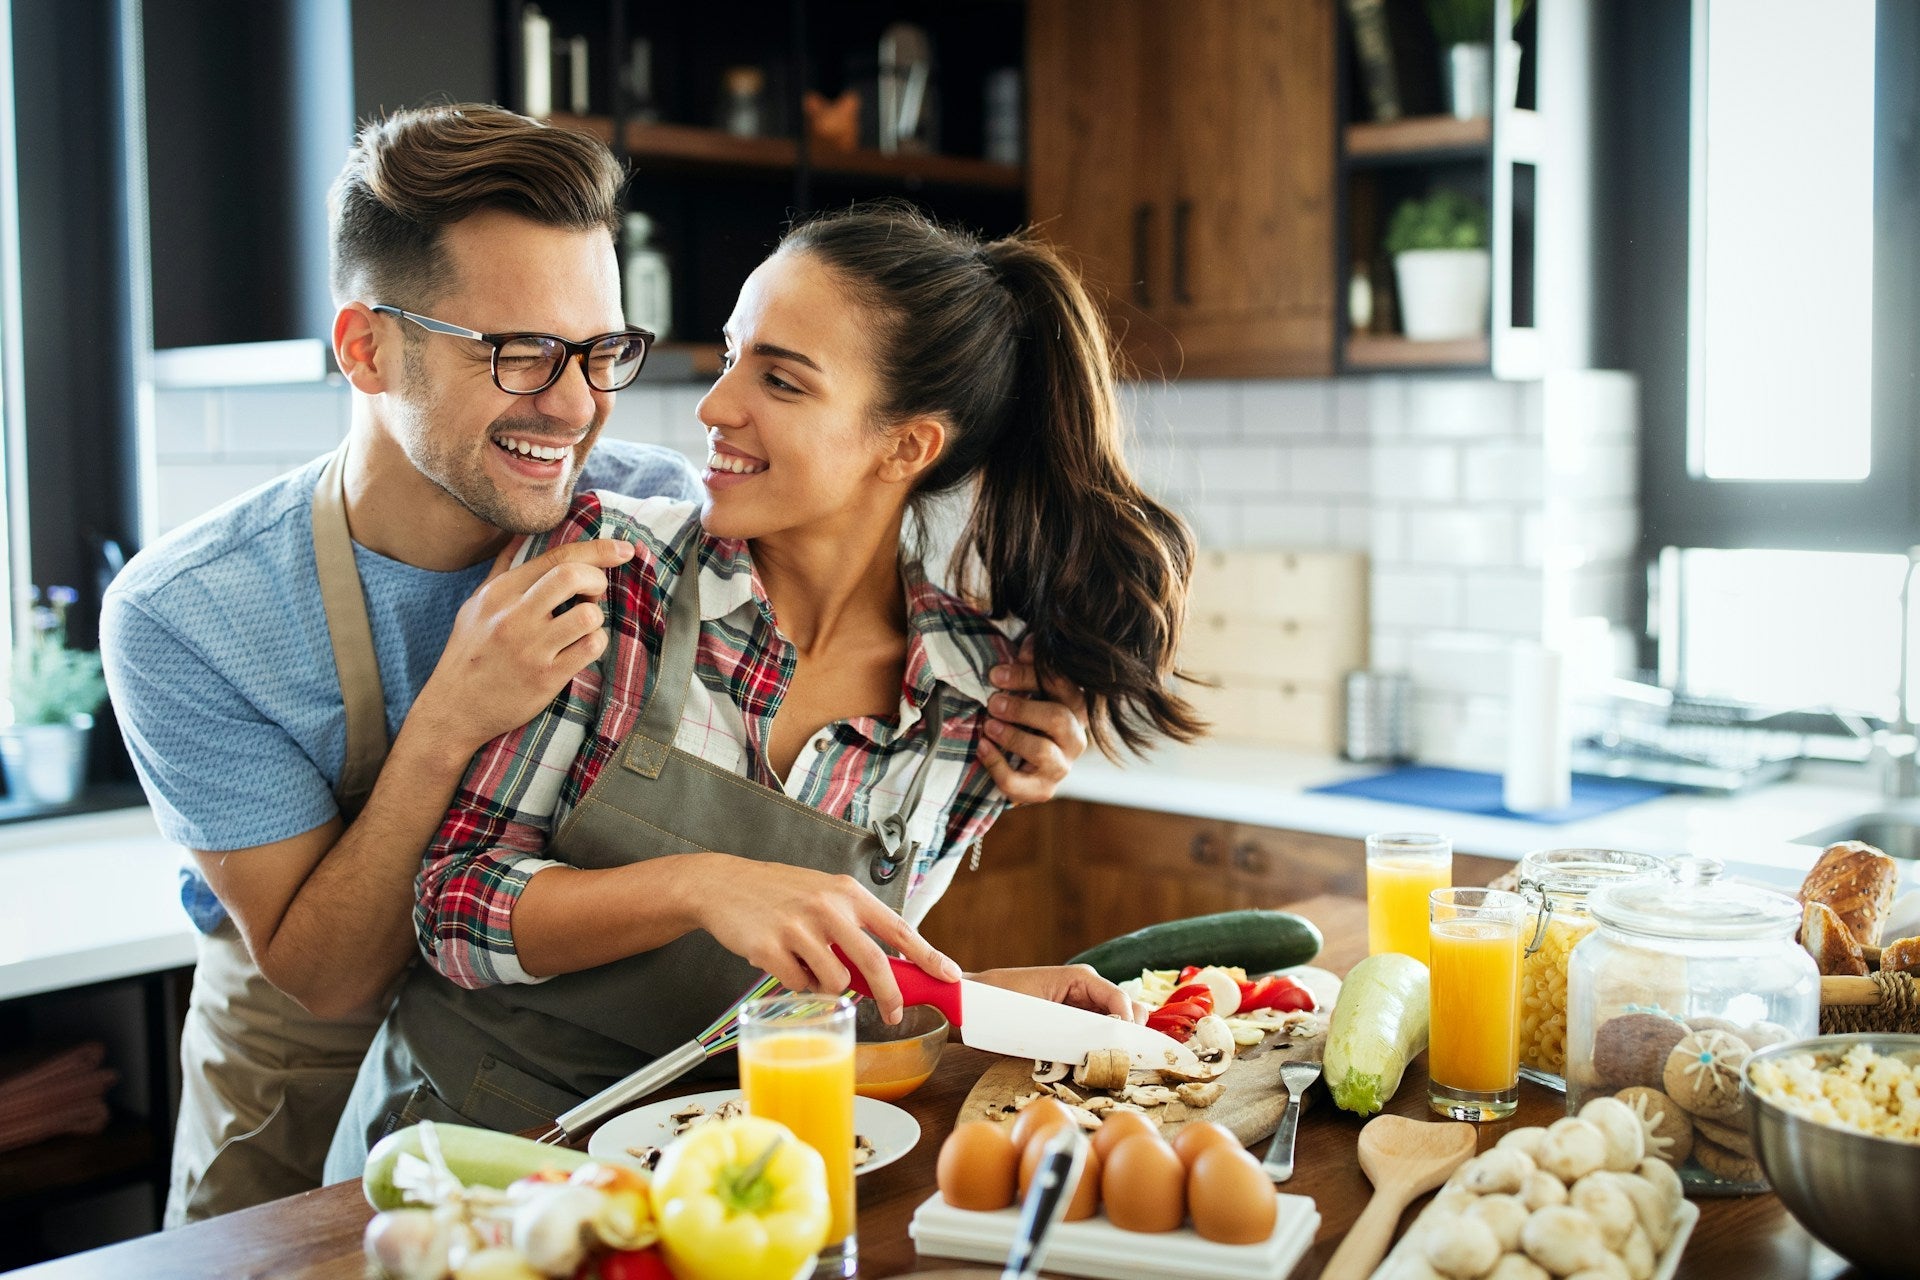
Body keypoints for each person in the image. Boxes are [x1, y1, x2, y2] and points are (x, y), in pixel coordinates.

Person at [101, 107, 1086, 1226]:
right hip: (306, 1059)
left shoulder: (651, 520)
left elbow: (785, 940)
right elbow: (330, 976)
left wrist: (1018, 756)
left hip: (655, 1117)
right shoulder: (190, 616)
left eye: (601, 349)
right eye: (519, 353)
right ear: (369, 347)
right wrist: (449, 720)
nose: (574, 407)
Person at [325, 201, 1206, 1176]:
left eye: (780, 378)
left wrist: (975, 998)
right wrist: (701, 886)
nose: (715, 403)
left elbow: (817, 1003)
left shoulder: (974, 700)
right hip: (471, 1159)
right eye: (734, 353)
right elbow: (451, 909)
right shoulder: (609, 572)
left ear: (905, 446)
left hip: (730, 1174)